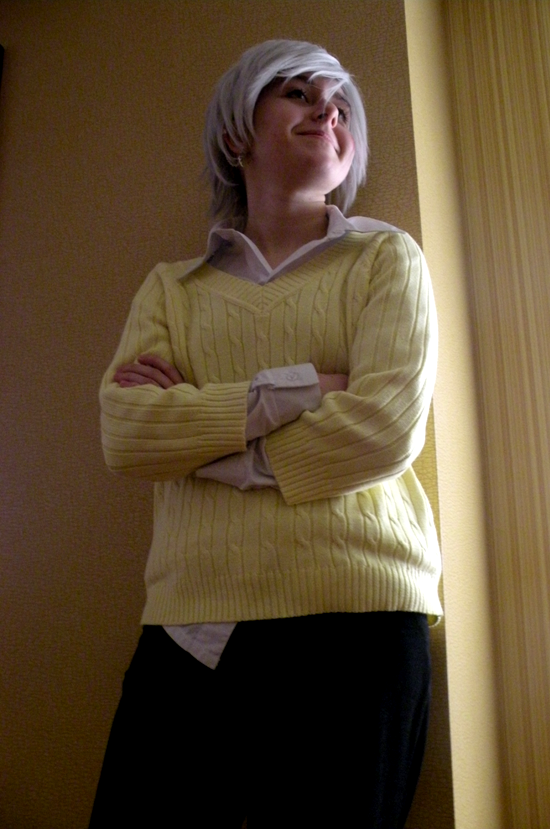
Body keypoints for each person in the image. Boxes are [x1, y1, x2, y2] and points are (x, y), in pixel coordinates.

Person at [91, 39, 442, 829]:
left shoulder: (386, 259)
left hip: (359, 619)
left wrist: (207, 447)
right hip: (192, 628)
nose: (328, 110)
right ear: (234, 135)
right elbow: (128, 434)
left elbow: (384, 428)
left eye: (341, 103)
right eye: (297, 93)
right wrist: (305, 388)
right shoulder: (171, 290)